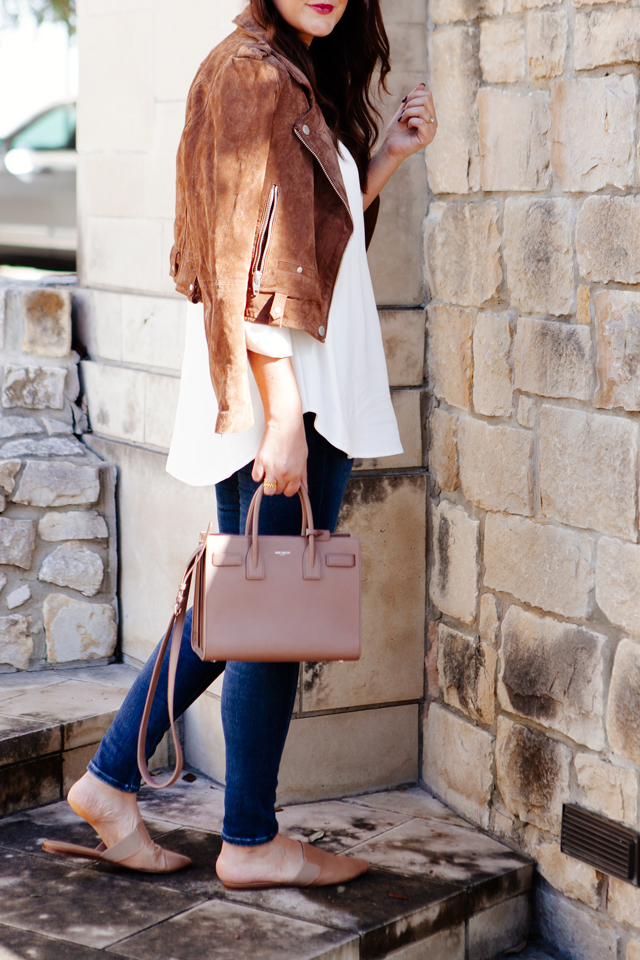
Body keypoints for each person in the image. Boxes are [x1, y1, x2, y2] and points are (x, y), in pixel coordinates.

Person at [44, 0, 437, 889]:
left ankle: (112, 784)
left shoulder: (284, 70)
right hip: (283, 394)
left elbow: (308, 243)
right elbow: (237, 265)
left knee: (247, 615)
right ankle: (248, 840)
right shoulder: (251, 73)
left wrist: (385, 161)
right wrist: (284, 413)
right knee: (263, 620)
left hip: (304, 391)